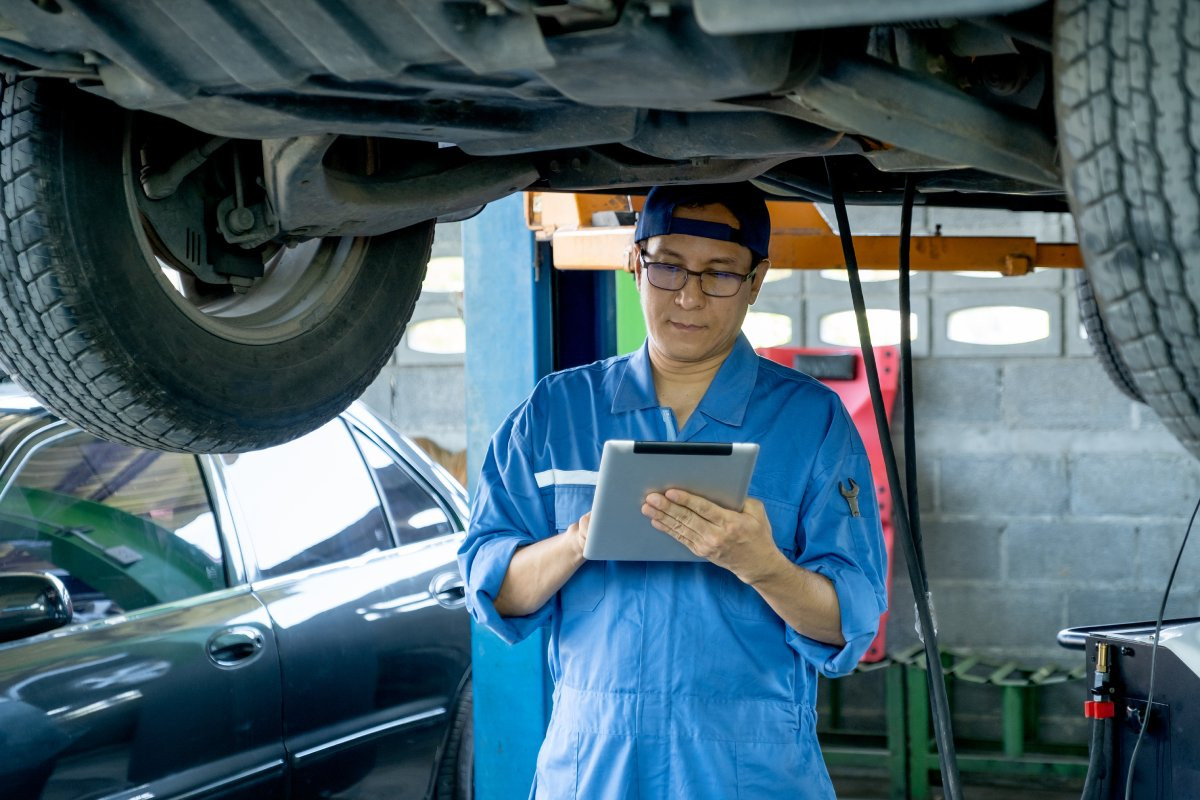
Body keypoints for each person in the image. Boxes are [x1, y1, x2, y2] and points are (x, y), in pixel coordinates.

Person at [459, 183, 888, 799]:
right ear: (635, 263)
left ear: (756, 279)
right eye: (668, 266)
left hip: (752, 775)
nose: (688, 295)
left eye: (719, 274)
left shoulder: (811, 423)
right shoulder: (556, 412)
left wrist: (764, 567)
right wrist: (579, 540)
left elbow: (852, 622)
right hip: (596, 768)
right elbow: (491, 588)